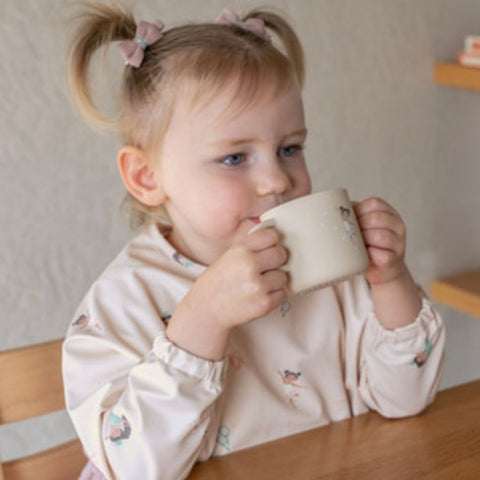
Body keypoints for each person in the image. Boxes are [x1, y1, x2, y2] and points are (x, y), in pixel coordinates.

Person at [62, 3, 446, 480]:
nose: (276, 180)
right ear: (146, 176)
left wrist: (391, 282)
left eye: (289, 149)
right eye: (234, 158)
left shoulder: (329, 266)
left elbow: (405, 400)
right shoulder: (126, 299)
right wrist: (200, 322)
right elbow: (134, 468)